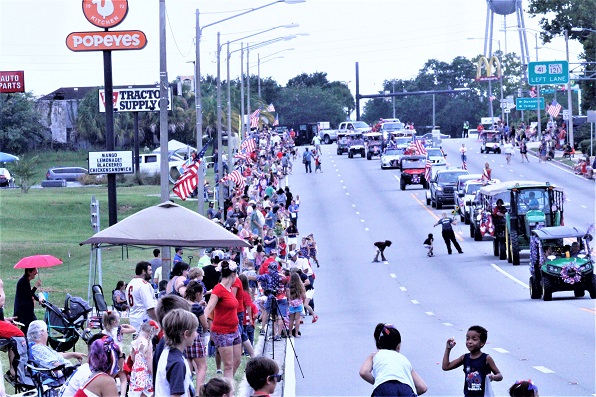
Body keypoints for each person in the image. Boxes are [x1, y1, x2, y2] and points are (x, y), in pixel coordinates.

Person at [359, 323, 428, 397]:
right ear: (398, 346)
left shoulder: (375, 355)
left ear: (379, 344)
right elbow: (422, 387)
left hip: (384, 389)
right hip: (406, 389)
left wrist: (377, 382)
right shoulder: (404, 359)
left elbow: (363, 372)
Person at [204, 261, 242, 381]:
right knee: (228, 365)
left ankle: (226, 383)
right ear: (233, 274)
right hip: (222, 331)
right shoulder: (218, 289)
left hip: (234, 330)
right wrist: (201, 323)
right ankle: (227, 390)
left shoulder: (230, 289)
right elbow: (209, 307)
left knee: (237, 361)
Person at [442, 325, 503, 396]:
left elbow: (500, 375)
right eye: (467, 339)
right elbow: (446, 367)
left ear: (482, 343)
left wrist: (493, 377)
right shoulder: (464, 358)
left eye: (474, 339)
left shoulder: (486, 358)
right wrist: (448, 349)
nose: (469, 342)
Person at [154, 309, 198, 397]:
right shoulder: (177, 363)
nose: (196, 334)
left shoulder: (167, 353)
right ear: (186, 334)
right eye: (195, 331)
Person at [101, 311, 134, 397]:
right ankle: (122, 395)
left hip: (109, 357)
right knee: (123, 378)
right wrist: (126, 325)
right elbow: (133, 330)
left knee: (111, 376)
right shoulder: (119, 329)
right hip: (119, 356)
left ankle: (108, 393)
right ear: (115, 322)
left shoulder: (103, 332)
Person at [128, 320, 158, 397]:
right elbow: (149, 359)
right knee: (147, 392)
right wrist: (153, 372)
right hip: (145, 371)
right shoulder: (147, 343)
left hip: (136, 371)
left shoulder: (135, 341)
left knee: (138, 392)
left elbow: (132, 358)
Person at [127, 261, 157, 331]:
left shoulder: (130, 284)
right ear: (143, 271)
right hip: (144, 321)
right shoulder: (143, 284)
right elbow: (150, 308)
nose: (151, 272)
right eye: (149, 270)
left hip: (134, 320)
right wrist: (158, 321)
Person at [13, 268, 42, 332]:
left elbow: (29, 293)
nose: (36, 273)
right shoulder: (23, 282)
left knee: (29, 327)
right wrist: (36, 286)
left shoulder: (25, 281)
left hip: (27, 310)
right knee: (31, 327)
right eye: (35, 271)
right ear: (29, 272)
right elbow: (29, 294)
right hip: (24, 311)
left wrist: (38, 299)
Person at [287, 272, 306, 338]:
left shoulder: (289, 285)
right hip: (298, 303)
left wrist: (290, 301)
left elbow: (288, 295)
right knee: (297, 319)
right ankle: (296, 333)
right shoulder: (300, 286)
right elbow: (304, 295)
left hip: (291, 304)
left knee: (291, 319)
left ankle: (290, 334)